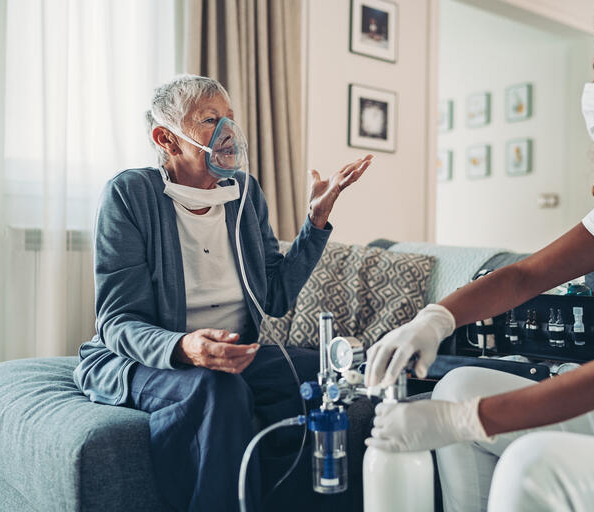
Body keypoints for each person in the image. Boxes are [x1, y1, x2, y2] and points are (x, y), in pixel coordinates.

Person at [364, 0, 594, 510]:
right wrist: (435, 319)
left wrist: (462, 424)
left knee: (532, 468)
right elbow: (524, 275)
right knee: (457, 386)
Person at [72, 74, 373, 511]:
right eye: (210, 119)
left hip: (233, 355)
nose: (228, 133)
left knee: (322, 376)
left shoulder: (245, 194)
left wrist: (316, 222)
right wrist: (185, 345)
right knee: (220, 390)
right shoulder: (130, 195)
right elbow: (118, 322)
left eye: (230, 118)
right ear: (167, 139)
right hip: (142, 359)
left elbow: (274, 297)